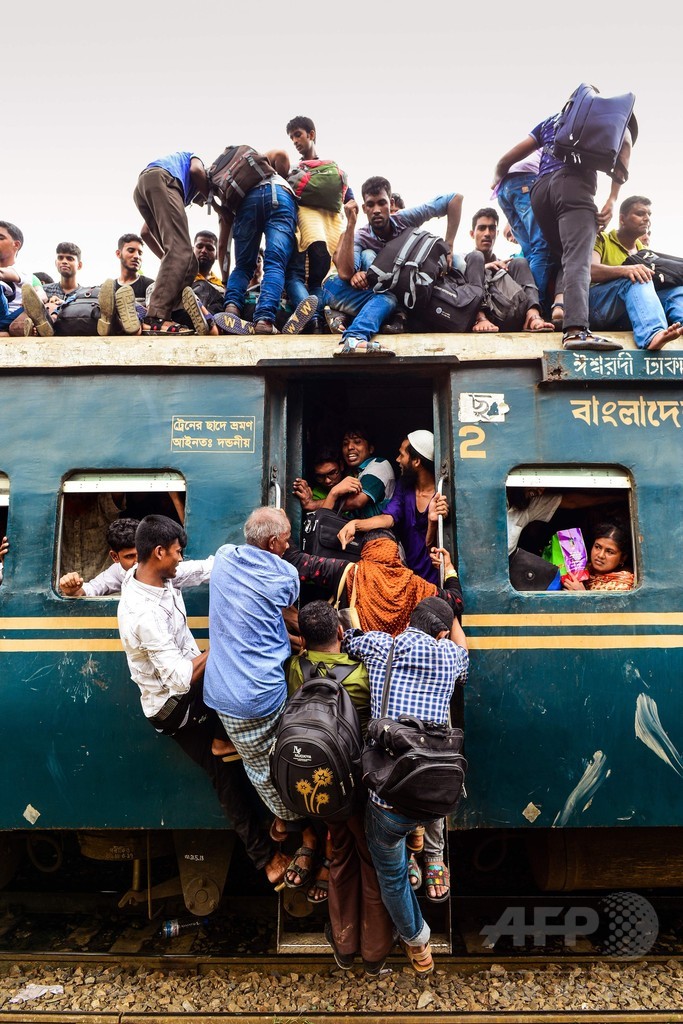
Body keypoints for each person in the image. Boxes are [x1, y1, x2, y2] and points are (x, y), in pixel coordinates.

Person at [117, 515, 289, 888]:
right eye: (177, 552)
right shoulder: (142, 613)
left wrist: (250, 557)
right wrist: (223, 642)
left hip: (192, 690)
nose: (181, 558)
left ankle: (225, 738)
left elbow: (211, 567)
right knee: (225, 776)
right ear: (159, 552)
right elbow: (180, 678)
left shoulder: (158, 574)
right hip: (175, 707)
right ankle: (265, 857)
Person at [343, 596, 469, 975]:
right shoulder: (451, 656)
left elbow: (347, 638)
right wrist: (454, 618)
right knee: (417, 820)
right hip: (434, 794)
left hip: (390, 795)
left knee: (392, 875)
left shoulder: (383, 644)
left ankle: (418, 944)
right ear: (442, 633)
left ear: (410, 621)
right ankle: (421, 842)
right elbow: (463, 649)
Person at [203, 507, 321, 888]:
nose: (290, 545)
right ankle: (300, 825)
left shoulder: (224, 557)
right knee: (275, 770)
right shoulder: (285, 573)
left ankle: (228, 747)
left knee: (257, 762)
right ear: (273, 543)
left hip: (220, 695)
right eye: (287, 539)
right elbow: (285, 613)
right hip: (258, 699)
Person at [286, 600, 395, 975]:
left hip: (324, 791)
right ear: (339, 632)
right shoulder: (364, 673)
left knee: (341, 856)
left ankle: (344, 946)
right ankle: (374, 953)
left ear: (303, 638)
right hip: (361, 784)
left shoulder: (297, 670)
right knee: (372, 862)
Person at [492, 87, 634, 352]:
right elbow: (624, 146)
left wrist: (498, 176)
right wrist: (612, 198)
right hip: (573, 185)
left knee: (560, 255)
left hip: (540, 191)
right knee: (578, 258)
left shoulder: (553, 120)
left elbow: (506, 160)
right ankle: (576, 330)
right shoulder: (606, 116)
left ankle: (546, 310)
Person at [322, 176, 463, 355]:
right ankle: (354, 338)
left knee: (392, 297)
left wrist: (449, 245)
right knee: (381, 286)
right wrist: (350, 225)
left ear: (391, 203)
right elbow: (344, 273)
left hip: (379, 292)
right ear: (364, 208)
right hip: (336, 287)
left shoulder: (404, 219)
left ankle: (345, 319)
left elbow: (454, 199)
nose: (377, 210)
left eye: (382, 203)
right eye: (370, 205)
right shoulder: (361, 236)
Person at [216, 148, 318, 338]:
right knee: (274, 264)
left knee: (244, 265)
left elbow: (223, 246)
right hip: (280, 197)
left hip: (247, 203)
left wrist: (224, 280)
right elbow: (282, 154)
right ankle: (264, 319)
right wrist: (284, 177)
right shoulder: (272, 167)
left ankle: (232, 309)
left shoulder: (246, 176)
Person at [338, 429, 448, 585]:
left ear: (416, 461)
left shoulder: (441, 495)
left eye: (402, 455)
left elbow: (434, 545)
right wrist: (355, 525)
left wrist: (433, 523)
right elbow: (389, 518)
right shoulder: (404, 486)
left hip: (432, 574)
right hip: (407, 571)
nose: (397, 459)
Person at [133, 150, 216, 335]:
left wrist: (170, 259)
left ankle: (171, 313)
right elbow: (196, 171)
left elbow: (145, 232)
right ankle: (156, 317)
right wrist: (213, 201)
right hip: (162, 179)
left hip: (143, 187)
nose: (202, 201)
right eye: (202, 199)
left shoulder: (177, 193)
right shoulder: (195, 161)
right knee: (182, 253)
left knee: (189, 263)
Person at [284, 116, 352, 333]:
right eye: (292, 137)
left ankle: (311, 317)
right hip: (331, 234)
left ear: (311, 134)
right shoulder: (333, 170)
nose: (294, 141)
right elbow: (349, 201)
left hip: (306, 230)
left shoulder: (294, 170)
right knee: (318, 283)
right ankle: (318, 320)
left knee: (292, 277)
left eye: (298, 135)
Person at [588, 195, 683, 350]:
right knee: (638, 277)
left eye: (649, 215)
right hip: (597, 307)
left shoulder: (644, 251)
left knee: (676, 291)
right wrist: (626, 270)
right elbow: (589, 271)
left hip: (628, 314)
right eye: (640, 213)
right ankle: (652, 335)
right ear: (622, 219)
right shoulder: (602, 239)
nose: (646, 219)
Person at [58, 517, 215, 598]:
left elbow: (207, 568)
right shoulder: (117, 572)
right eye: (129, 556)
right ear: (115, 557)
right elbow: (91, 589)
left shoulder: (168, 568)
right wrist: (72, 589)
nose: (137, 561)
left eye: (140, 553)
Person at [467, 208, 553, 333]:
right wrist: (485, 267)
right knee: (475, 256)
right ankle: (480, 318)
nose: (487, 233)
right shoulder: (463, 260)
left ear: (496, 233)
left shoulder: (503, 264)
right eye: (481, 228)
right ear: (472, 234)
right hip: (480, 313)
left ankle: (532, 315)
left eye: (491, 228)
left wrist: (501, 271)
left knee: (519, 262)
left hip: (508, 311)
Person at [491, 150, 555, 315]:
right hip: (525, 180)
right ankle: (534, 308)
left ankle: (526, 305)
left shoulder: (537, 146)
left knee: (530, 253)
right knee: (542, 246)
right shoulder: (554, 140)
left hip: (504, 189)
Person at [319, 424, 395, 519]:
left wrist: (313, 504)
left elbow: (357, 501)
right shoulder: (354, 473)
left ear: (370, 448)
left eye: (357, 442)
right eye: (345, 444)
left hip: (377, 532)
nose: (350, 447)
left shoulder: (379, 465)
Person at [21, 242, 83, 336]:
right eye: (60, 258)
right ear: (56, 263)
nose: (64, 261)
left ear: (79, 265)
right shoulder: (43, 291)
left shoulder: (84, 294)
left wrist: (65, 304)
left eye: (70, 258)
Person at [0, 221, 47, 337]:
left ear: (16, 245)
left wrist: (30, 303)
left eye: (0, 238)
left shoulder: (29, 276)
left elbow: (42, 295)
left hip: (15, 318)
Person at [562, 521, 634, 592]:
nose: (600, 555)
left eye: (610, 552)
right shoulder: (580, 569)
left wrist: (582, 595)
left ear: (622, 558)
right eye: (597, 547)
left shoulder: (622, 587)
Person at [292, 447, 345, 512]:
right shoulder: (316, 494)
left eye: (332, 473)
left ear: (341, 465)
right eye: (320, 476)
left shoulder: (353, 477)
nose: (327, 481)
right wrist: (333, 493)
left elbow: (357, 501)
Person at [191, 230, 225, 316]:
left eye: (209, 248)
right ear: (192, 250)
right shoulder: (180, 277)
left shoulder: (222, 285)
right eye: (199, 246)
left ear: (217, 254)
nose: (204, 251)